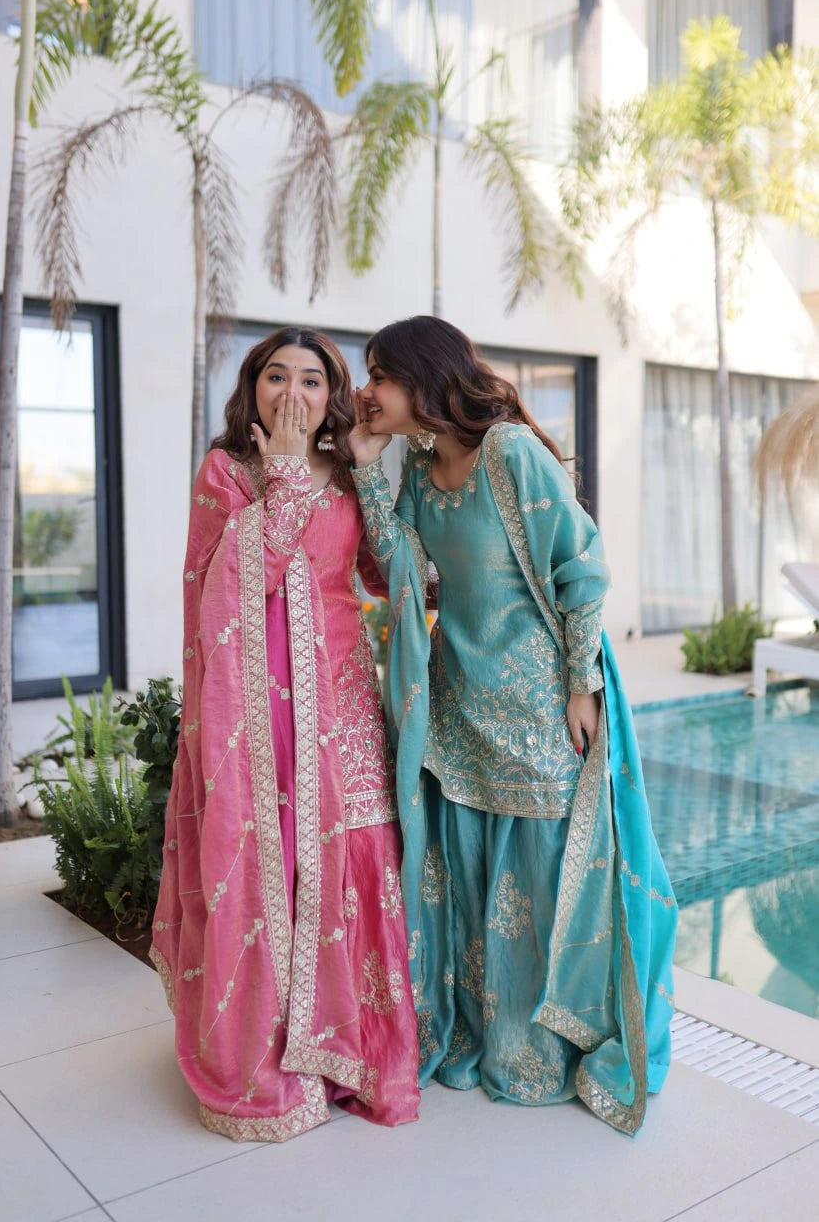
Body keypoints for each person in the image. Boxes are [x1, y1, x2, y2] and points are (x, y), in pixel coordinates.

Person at [348, 314, 677, 1136]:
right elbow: (397, 568)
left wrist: (577, 685)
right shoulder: (419, 469)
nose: (366, 391)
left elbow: (582, 567)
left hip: (535, 711)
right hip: (459, 711)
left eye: (379, 374)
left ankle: (540, 1050)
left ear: (423, 379)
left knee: (535, 885)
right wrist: (362, 470)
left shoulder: (510, 454)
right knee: (474, 879)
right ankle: (487, 1033)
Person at [151, 328, 419, 1143]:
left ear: (333, 392)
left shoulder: (350, 471)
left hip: (338, 706)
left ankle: (358, 1054)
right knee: (271, 868)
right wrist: (284, 475)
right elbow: (226, 591)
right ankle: (269, 1061)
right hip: (255, 723)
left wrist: (366, 461)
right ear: (253, 387)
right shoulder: (226, 470)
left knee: (355, 859)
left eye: (312, 378)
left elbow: (387, 573)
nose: (293, 393)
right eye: (277, 376)